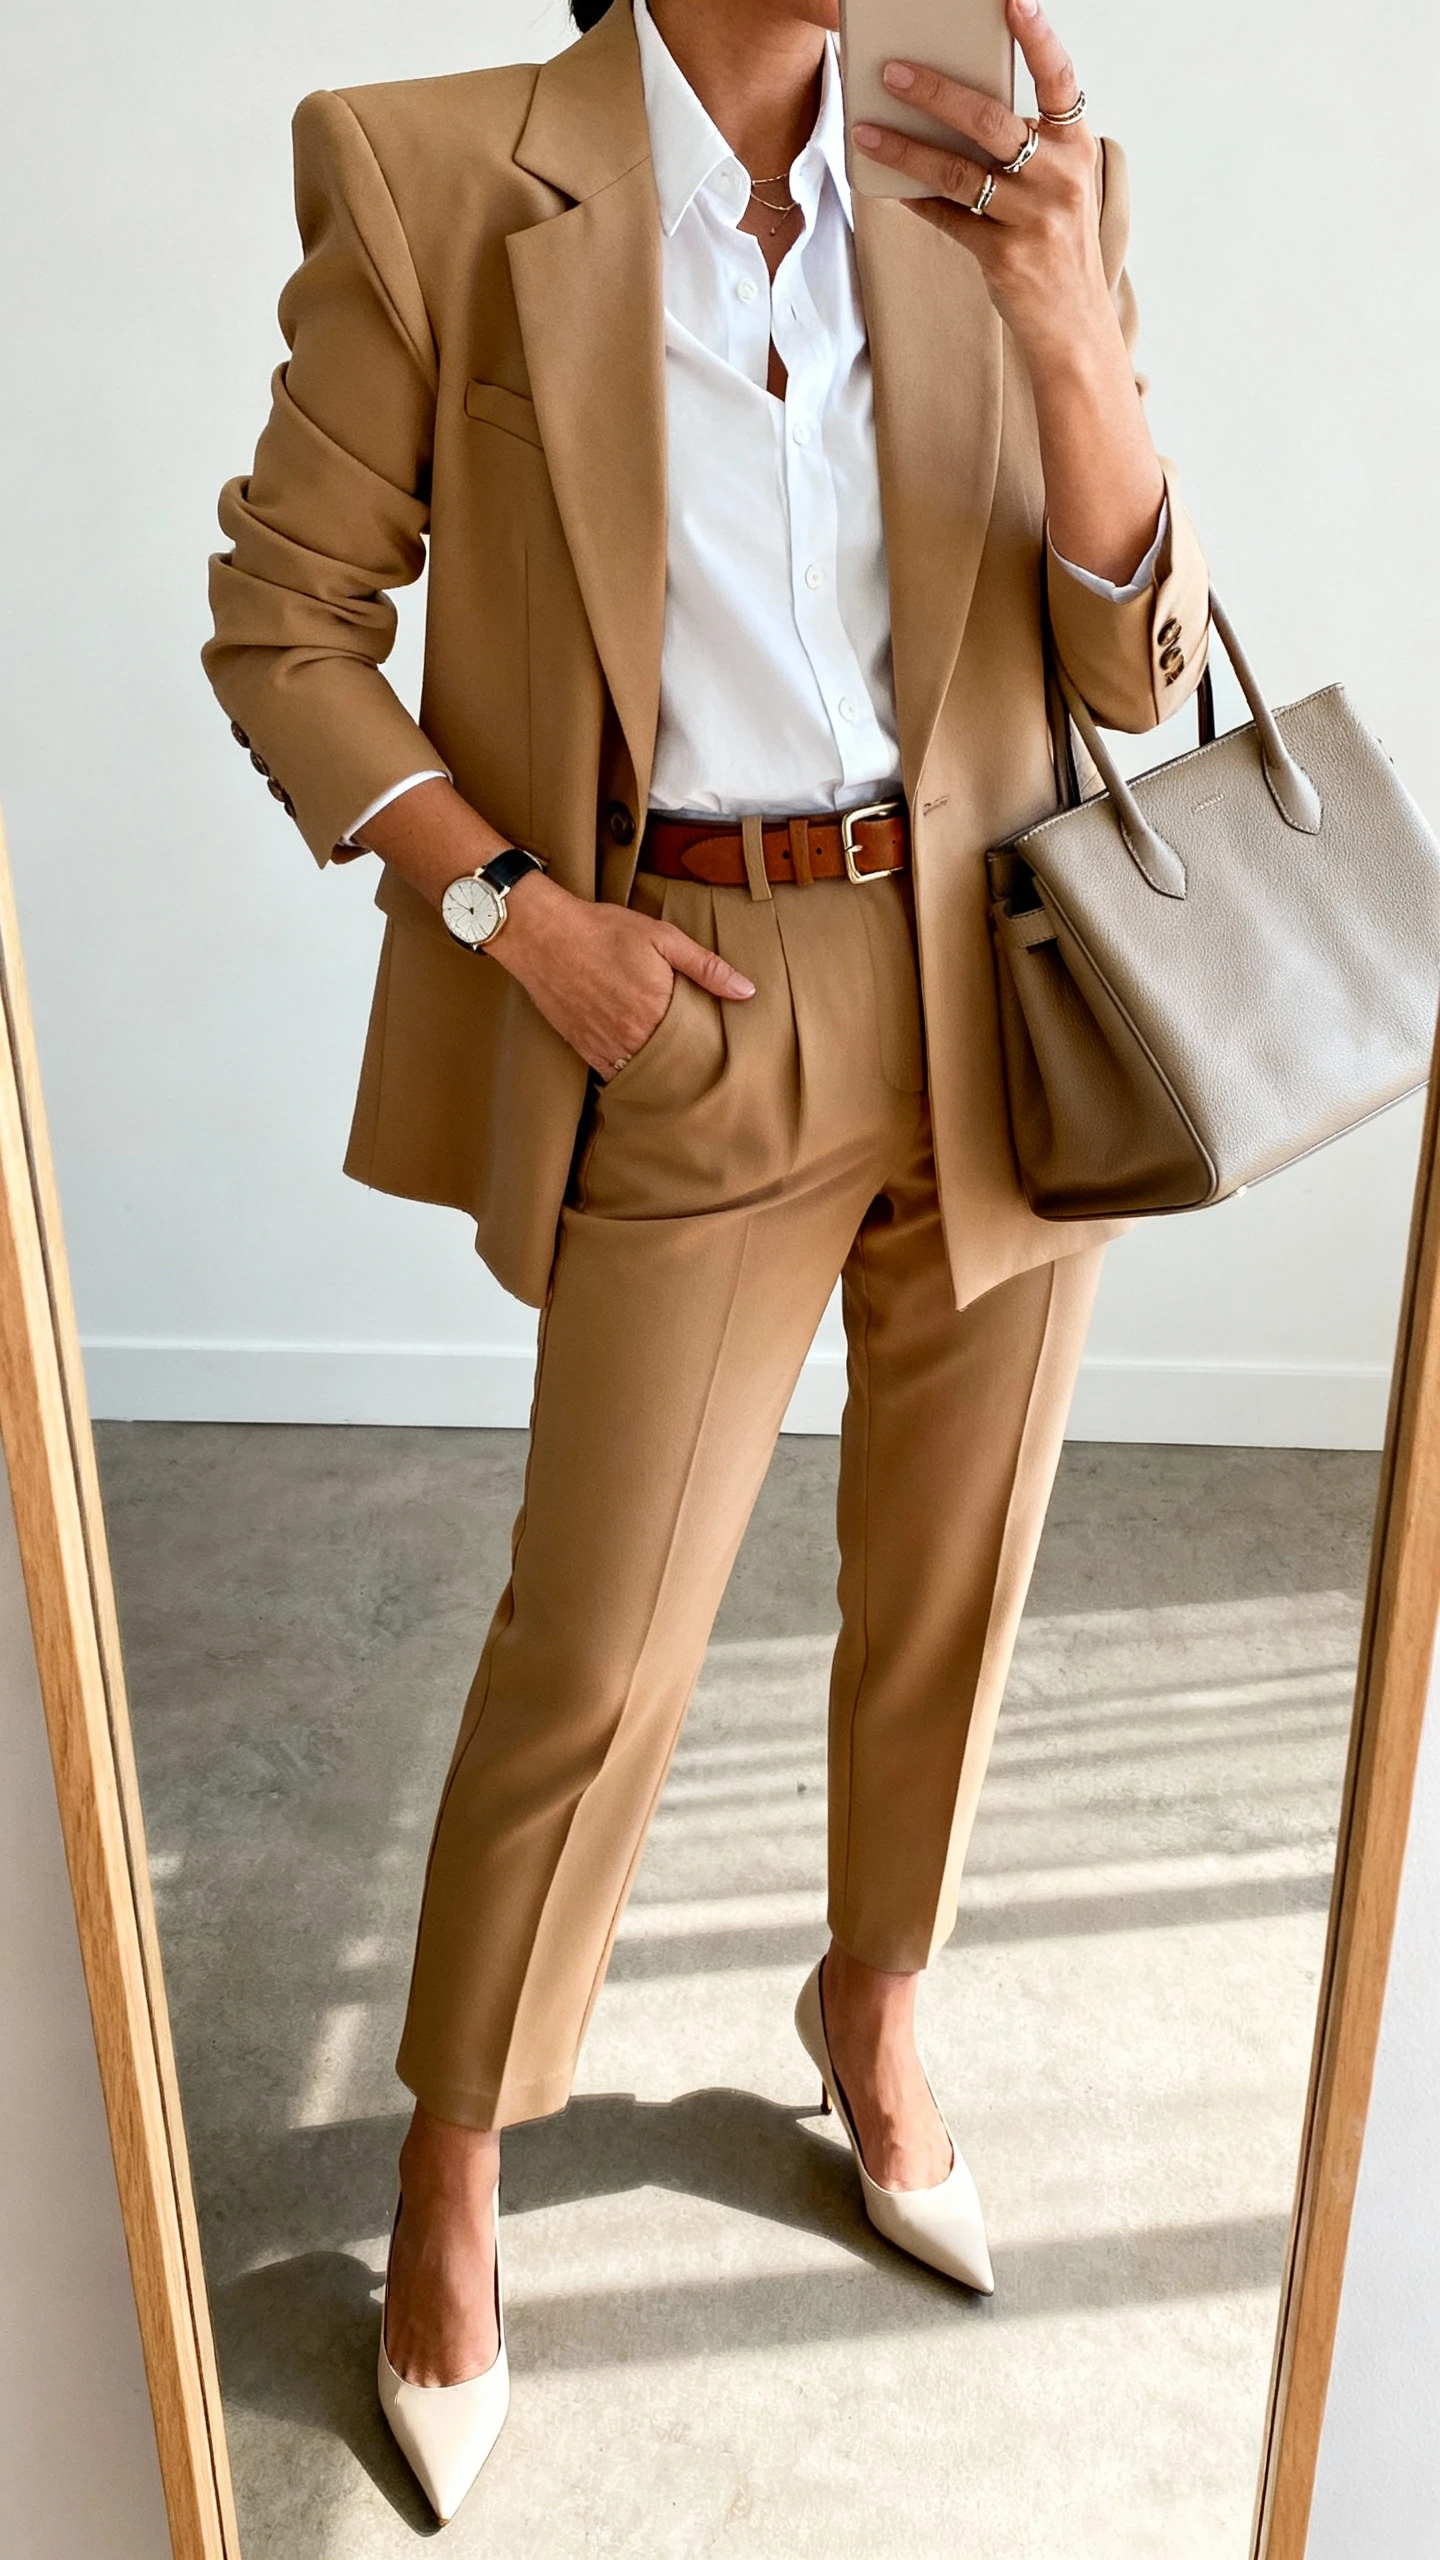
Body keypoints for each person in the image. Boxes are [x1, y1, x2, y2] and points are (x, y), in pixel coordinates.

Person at [204, 0, 1208, 2521]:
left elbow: (1131, 658)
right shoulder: (438, 173)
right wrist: (518, 918)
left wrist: (1072, 326)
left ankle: (873, 2003)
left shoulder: (1013, 169)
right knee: (603, 1644)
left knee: (956, 1578)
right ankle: (454, 2148)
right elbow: (283, 627)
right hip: (687, 996)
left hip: (1005, 981)